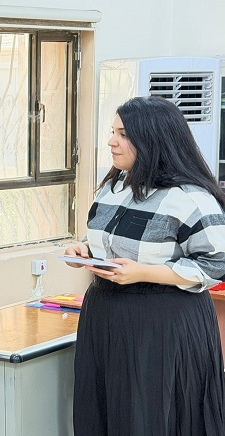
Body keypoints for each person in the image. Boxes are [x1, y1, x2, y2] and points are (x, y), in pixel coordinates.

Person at [64, 96, 225, 435]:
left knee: (148, 414)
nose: (112, 141)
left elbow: (216, 263)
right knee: (103, 408)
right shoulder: (113, 187)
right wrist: (86, 250)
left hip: (162, 320)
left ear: (153, 139)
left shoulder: (189, 196)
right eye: (113, 132)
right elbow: (113, 239)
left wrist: (143, 273)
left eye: (123, 134)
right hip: (105, 312)